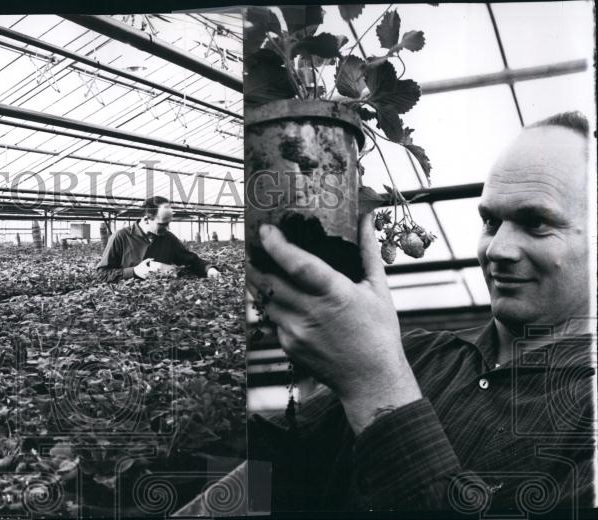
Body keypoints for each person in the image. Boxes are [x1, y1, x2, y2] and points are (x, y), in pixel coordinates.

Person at [175, 111, 595, 516]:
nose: (497, 250)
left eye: (536, 223)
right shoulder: (416, 354)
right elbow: (286, 464)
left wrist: (377, 386)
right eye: (490, 221)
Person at [95, 196, 221, 283]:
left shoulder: (168, 238)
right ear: (146, 219)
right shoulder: (121, 237)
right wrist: (134, 272)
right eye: (162, 224)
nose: (167, 228)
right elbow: (102, 274)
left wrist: (209, 269)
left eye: (168, 223)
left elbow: (191, 260)